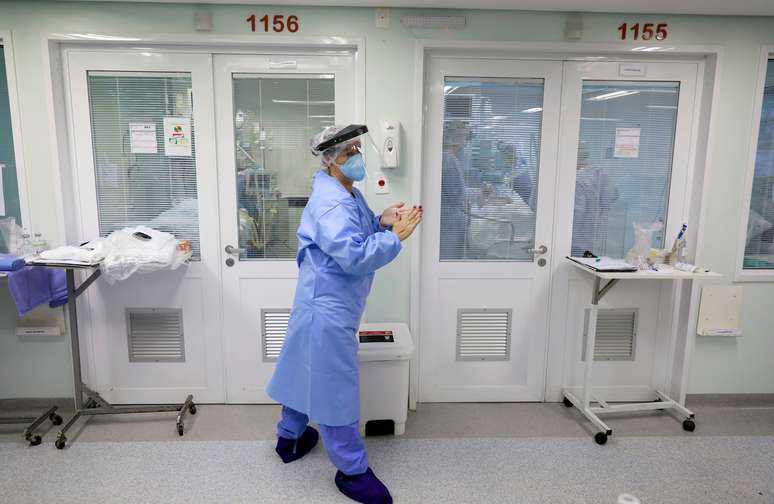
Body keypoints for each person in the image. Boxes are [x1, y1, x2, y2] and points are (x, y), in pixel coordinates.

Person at [266, 124, 422, 504]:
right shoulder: (331, 201)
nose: (357, 157)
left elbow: (357, 231)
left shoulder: (343, 191)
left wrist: (381, 220)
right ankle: (351, 472)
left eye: (356, 148)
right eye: (349, 152)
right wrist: (394, 237)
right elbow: (353, 256)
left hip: (318, 302)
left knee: (303, 368)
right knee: (336, 387)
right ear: (329, 160)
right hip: (328, 309)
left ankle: (290, 438)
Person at [571, 142, 620, 257]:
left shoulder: (573, 178)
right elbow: (611, 197)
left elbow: (577, 213)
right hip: (591, 239)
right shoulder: (600, 174)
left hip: (572, 239)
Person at [440, 121, 470, 260]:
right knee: (448, 257)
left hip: (447, 217)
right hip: (449, 220)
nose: (466, 140)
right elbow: (457, 195)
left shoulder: (445, 158)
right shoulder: (449, 160)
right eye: (463, 136)